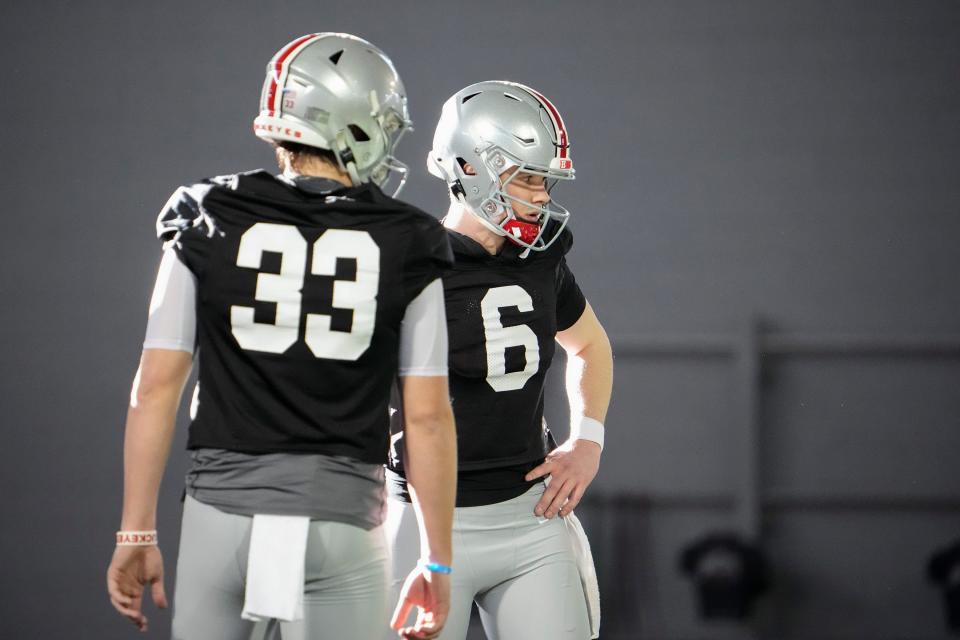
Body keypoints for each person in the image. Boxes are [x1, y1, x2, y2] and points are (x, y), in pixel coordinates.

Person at [105, 33, 456, 640]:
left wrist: (136, 531)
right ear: (354, 124)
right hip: (340, 523)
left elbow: (155, 386)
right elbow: (425, 418)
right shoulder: (409, 238)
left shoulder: (206, 213)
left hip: (221, 518)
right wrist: (437, 558)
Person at [386, 81, 614, 639]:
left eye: (545, 180)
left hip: (529, 516)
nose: (541, 195)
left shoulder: (539, 262)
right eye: (527, 178)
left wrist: (587, 439)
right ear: (470, 167)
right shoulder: (411, 267)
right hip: (423, 523)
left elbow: (590, 346)